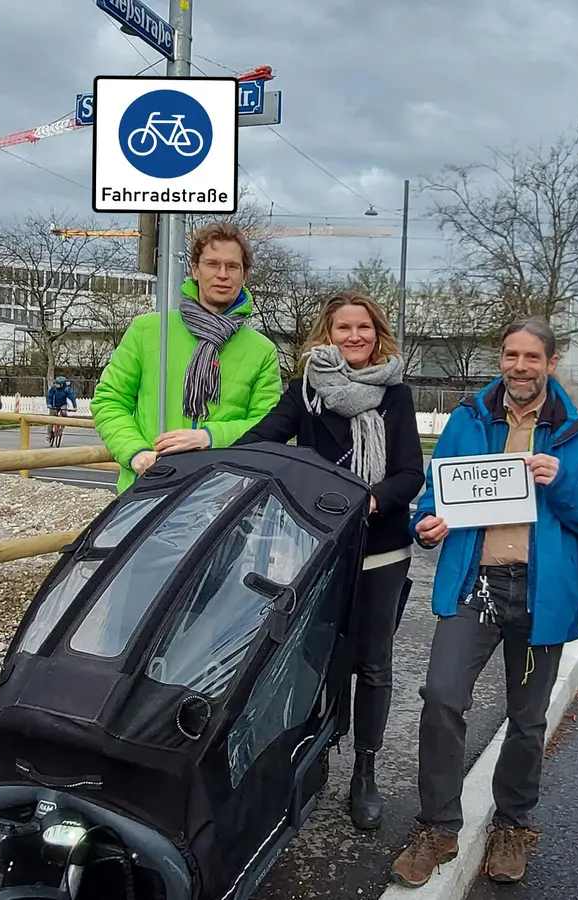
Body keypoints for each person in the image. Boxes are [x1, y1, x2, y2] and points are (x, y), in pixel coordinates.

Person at [391, 317, 578, 889]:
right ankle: (438, 827)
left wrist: (561, 480)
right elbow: (434, 495)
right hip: (475, 588)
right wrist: (426, 524)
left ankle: (512, 825)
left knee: (527, 719)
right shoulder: (468, 420)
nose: (520, 367)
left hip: (540, 596)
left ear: (551, 363)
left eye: (531, 357)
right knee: (441, 698)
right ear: (501, 358)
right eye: (510, 355)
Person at [233, 289, 425, 832]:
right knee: (309, 656)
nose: (354, 336)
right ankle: (308, 756)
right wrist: (215, 455)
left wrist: (371, 500)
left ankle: (365, 771)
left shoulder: (395, 396)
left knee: (373, 662)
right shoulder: (306, 391)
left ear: (377, 333)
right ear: (328, 334)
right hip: (316, 549)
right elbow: (262, 441)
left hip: (379, 547)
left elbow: (410, 473)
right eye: (344, 328)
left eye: (364, 328)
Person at [90, 222, 282, 493]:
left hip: (222, 496)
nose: (222, 274)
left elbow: (269, 426)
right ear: (195, 270)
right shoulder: (149, 331)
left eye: (232, 266)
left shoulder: (262, 350)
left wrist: (209, 437)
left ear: (245, 275)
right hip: (149, 488)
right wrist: (136, 452)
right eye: (212, 264)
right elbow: (109, 401)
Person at [44, 376, 77, 446]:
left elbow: (72, 398)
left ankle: (61, 428)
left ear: (62, 385)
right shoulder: (53, 388)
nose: (56, 385)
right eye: (56, 383)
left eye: (58, 384)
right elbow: (49, 396)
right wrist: (49, 404)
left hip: (62, 405)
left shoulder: (66, 389)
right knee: (51, 420)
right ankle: (48, 435)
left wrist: (74, 406)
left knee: (64, 413)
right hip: (54, 405)